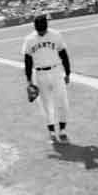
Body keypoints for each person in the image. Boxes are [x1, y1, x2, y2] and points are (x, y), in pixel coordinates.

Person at [21, 13, 72, 143]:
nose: (41, 32)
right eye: (39, 30)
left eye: (43, 29)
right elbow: (27, 61)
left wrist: (67, 73)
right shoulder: (29, 39)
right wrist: (29, 80)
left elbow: (64, 54)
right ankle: (51, 132)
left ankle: (62, 130)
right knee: (46, 104)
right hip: (40, 74)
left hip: (56, 71)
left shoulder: (56, 35)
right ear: (35, 28)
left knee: (62, 102)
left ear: (47, 26)